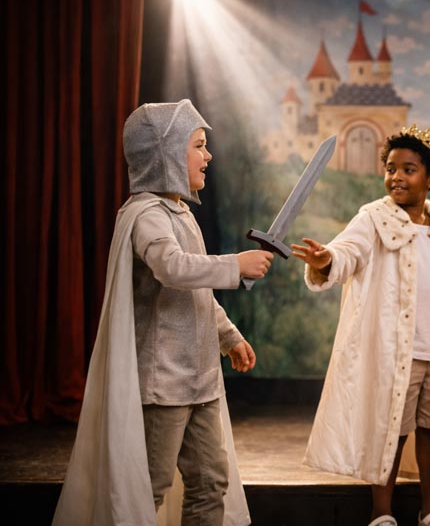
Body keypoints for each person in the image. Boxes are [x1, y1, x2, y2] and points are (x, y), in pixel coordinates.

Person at [52, 99, 274, 526]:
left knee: (210, 481)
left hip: (200, 379)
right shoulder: (146, 215)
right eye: (198, 145)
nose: (208, 156)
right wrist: (235, 265)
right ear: (167, 151)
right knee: (149, 485)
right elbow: (172, 268)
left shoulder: (182, 213)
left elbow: (197, 292)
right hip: (164, 383)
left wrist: (229, 336)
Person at [290, 125, 430, 526]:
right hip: (397, 352)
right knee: (391, 430)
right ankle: (381, 511)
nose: (396, 176)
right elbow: (347, 251)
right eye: (390, 168)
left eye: (408, 170)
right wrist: (327, 260)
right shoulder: (373, 218)